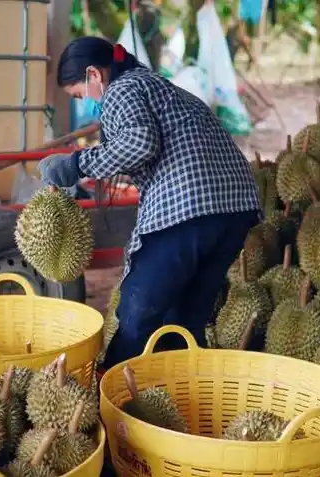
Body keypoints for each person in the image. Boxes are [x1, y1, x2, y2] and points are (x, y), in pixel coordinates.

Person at [38, 36, 261, 369]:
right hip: (234, 209)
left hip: (189, 209)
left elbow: (140, 142)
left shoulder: (122, 90)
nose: (85, 102)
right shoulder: (155, 85)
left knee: (138, 311)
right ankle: (178, 394)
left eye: (79, 94)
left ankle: (108, 392)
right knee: (184, 317)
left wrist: (75, 164)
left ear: (94, 75)